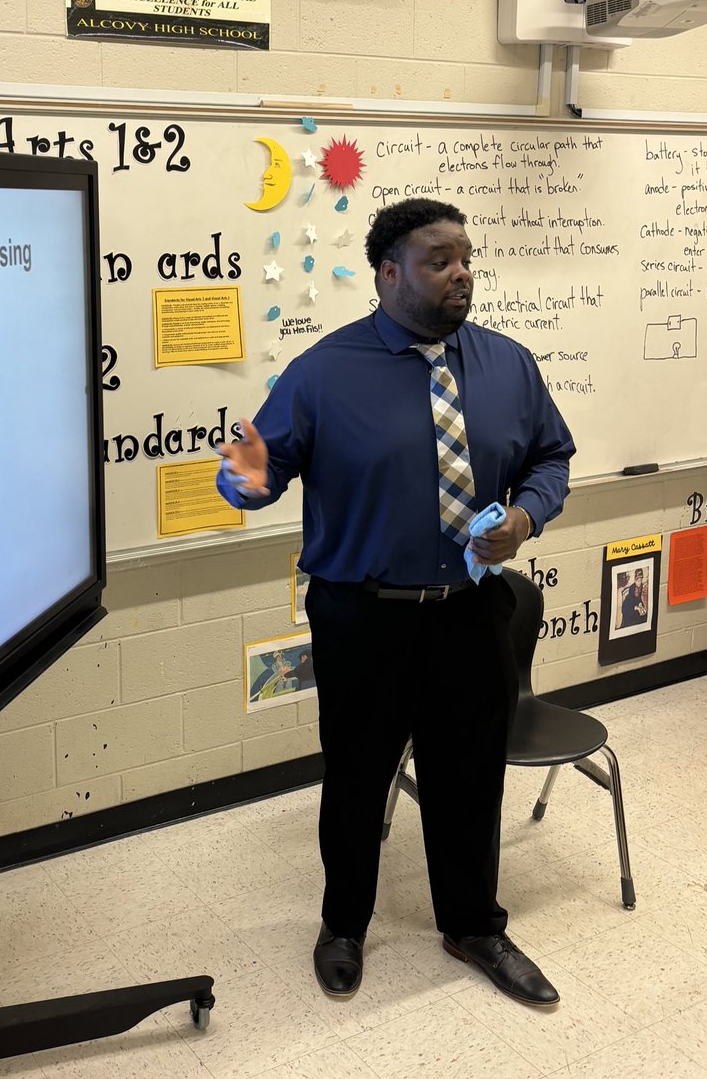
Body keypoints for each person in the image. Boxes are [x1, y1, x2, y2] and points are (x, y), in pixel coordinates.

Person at [216, 198, 575, 1007]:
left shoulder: (508, 364)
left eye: (467, 258)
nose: (462, 273)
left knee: (470, 775)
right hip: (362, 614)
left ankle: (474, 923)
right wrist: (240, 472)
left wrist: (525, 516)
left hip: (470, 610)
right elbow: (253, 477)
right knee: (357, 774)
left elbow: (551, 458)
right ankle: (344, 922)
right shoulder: (323, 372)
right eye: (440, 259)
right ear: (388, 272)